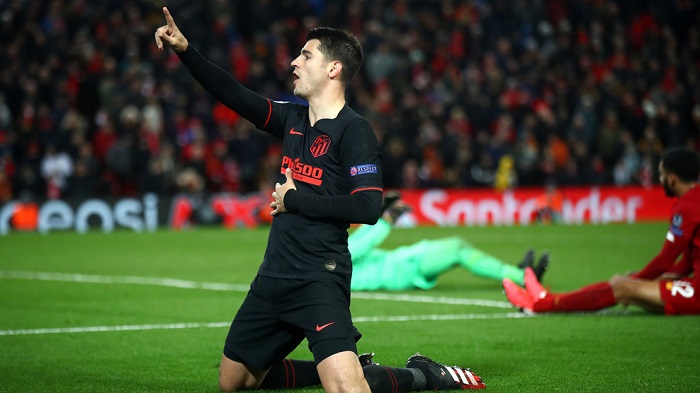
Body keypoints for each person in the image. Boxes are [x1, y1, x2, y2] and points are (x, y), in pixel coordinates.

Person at [155, 7, 484, 393]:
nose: (294, 61)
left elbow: (368, 208)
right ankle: (346, 367)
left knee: (348, 390)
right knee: (234, 382)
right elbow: (233, 95)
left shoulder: (355, 131)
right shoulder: (292, 119)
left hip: (318, 277)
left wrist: (296, 201)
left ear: (333, 69)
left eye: (306, 55)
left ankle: (424, 375)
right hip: (272, 276)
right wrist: (186, 51)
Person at [503, 147, 700, 315]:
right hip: (694, 285)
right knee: (628, 283)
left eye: (662, 174)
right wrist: (638, 279)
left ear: (672, 179)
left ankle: (544, 304)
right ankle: (549, 299)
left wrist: (636, 281)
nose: (660, 179)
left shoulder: (687, 206)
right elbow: (685, 263)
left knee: (624, 287)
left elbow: (665, 260)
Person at [350, 192, 550, 291]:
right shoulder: (332, 256)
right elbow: (362, 245)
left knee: (458, 246)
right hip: (402, 269)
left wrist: (381, 211)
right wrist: (388, 219)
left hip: (402, 262)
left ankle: (514, 271)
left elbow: (358, 240)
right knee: (457, 249)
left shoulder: (331, 254)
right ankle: (522, 277)